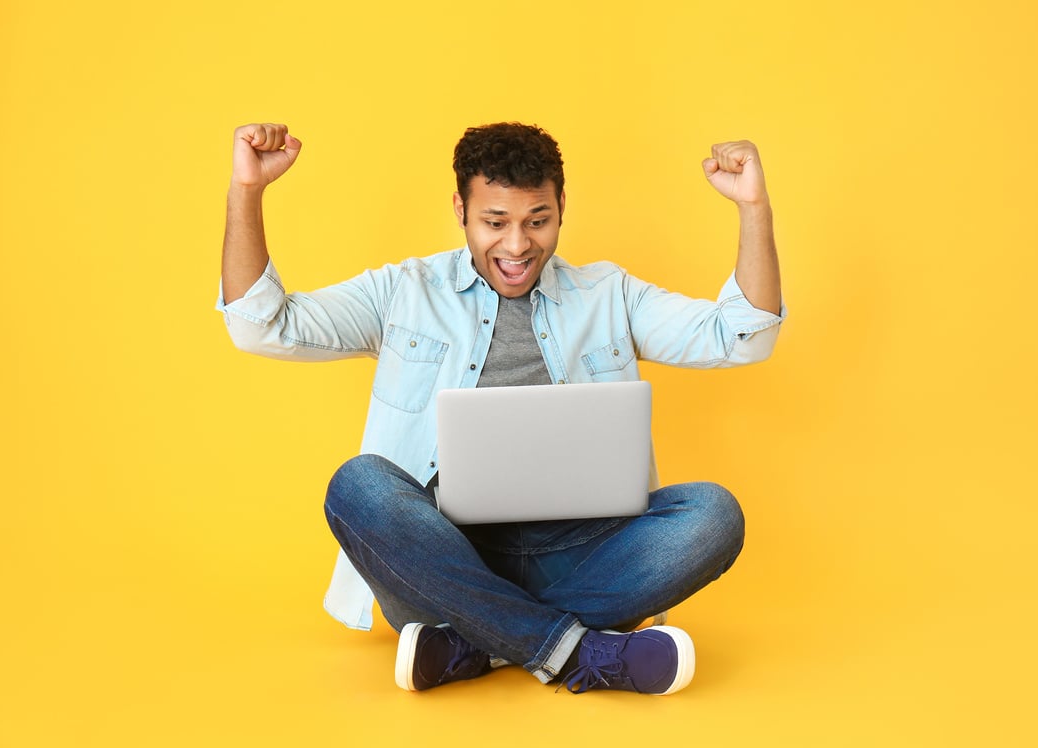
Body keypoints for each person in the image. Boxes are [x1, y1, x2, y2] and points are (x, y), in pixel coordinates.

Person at [218, 121, 785, 695]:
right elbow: (259, 327)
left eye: (537, 221)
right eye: (495, 223)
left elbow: (743, 337)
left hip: (581, 553)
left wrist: (754, 207)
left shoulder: (610, 294)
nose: (517, 247)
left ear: (562, 206)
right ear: (460, 209)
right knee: (358, 484)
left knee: (714, 512)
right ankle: (578, 653)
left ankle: (477, 644)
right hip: (441, 556)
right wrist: (248, 191)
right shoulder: (403, 291)